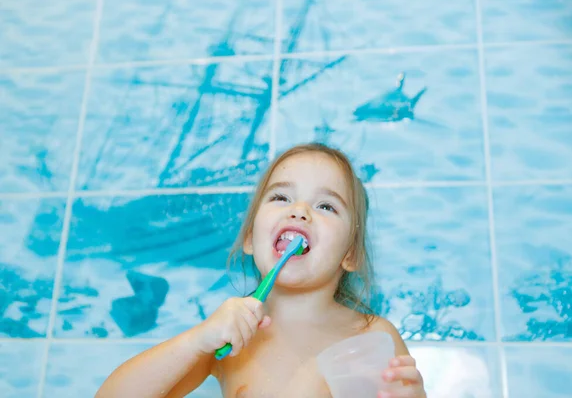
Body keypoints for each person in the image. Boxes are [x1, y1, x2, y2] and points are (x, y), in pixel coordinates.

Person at [96, 143, 426, 398]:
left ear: (350, 254)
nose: (299, 210)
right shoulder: (232, 335)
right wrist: (197, 341)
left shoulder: (372, 336)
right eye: (281, 197)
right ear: (251, 239)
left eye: (326, 205)